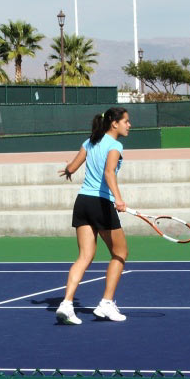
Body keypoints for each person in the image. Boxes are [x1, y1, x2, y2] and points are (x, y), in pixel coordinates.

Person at [56, 107, 131, 325]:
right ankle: (106, 303)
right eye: (126, 121)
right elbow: (109, 172)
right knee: (121, 252)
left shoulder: (90, 142)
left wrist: (69, 171)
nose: (129, 125)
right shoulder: (115, 145)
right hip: (101, 203)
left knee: (84, 256)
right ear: (114, 123)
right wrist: (118, 198)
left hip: (82, 203)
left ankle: (67, 304)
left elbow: (72, 166)